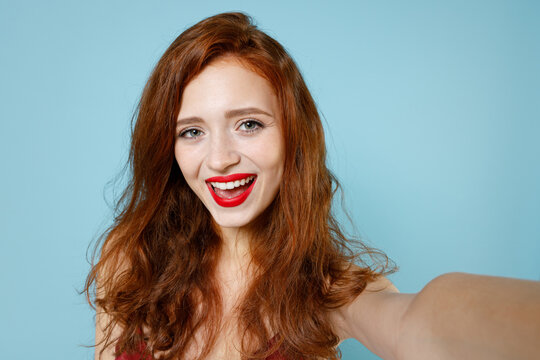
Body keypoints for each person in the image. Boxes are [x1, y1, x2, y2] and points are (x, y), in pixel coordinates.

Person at [85, 12, 540, 360]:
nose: (220, 158)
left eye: (248, 124)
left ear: (291, 135)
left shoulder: (328, 291)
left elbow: (417, 324)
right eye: (192, 131)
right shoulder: (130, 257)